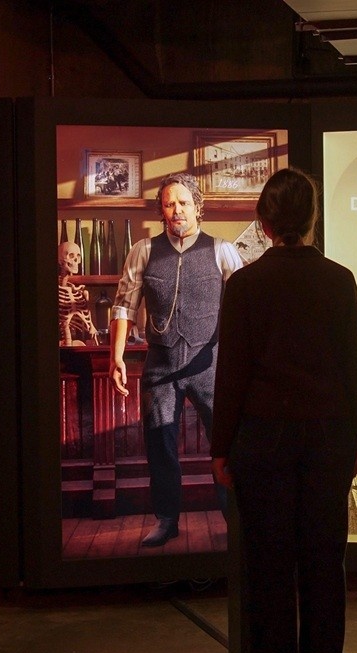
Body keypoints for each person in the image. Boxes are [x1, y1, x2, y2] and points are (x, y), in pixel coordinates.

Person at [210, 167, 357, 653]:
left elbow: (231, 374)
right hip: (328, 435)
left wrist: (220, 447)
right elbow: (355, 368)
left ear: (263, 221)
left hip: (263, 437)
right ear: (312, 218)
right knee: (326, 551)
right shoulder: (339, 280)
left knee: (270, 552)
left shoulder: (247, 284)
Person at [110, 172, 244, 547]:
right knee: (159, 444)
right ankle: (167, 520)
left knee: (226, 445)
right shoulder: (143, 251)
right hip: (161, 366)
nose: (177, 210)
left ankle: (235, 520)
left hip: (211, 365)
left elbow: (245, 310)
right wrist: (116, 357)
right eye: (169, 204)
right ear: (161, 211)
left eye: (184, 203)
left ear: (198, 208)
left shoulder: (222, 250)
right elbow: (123, 306)